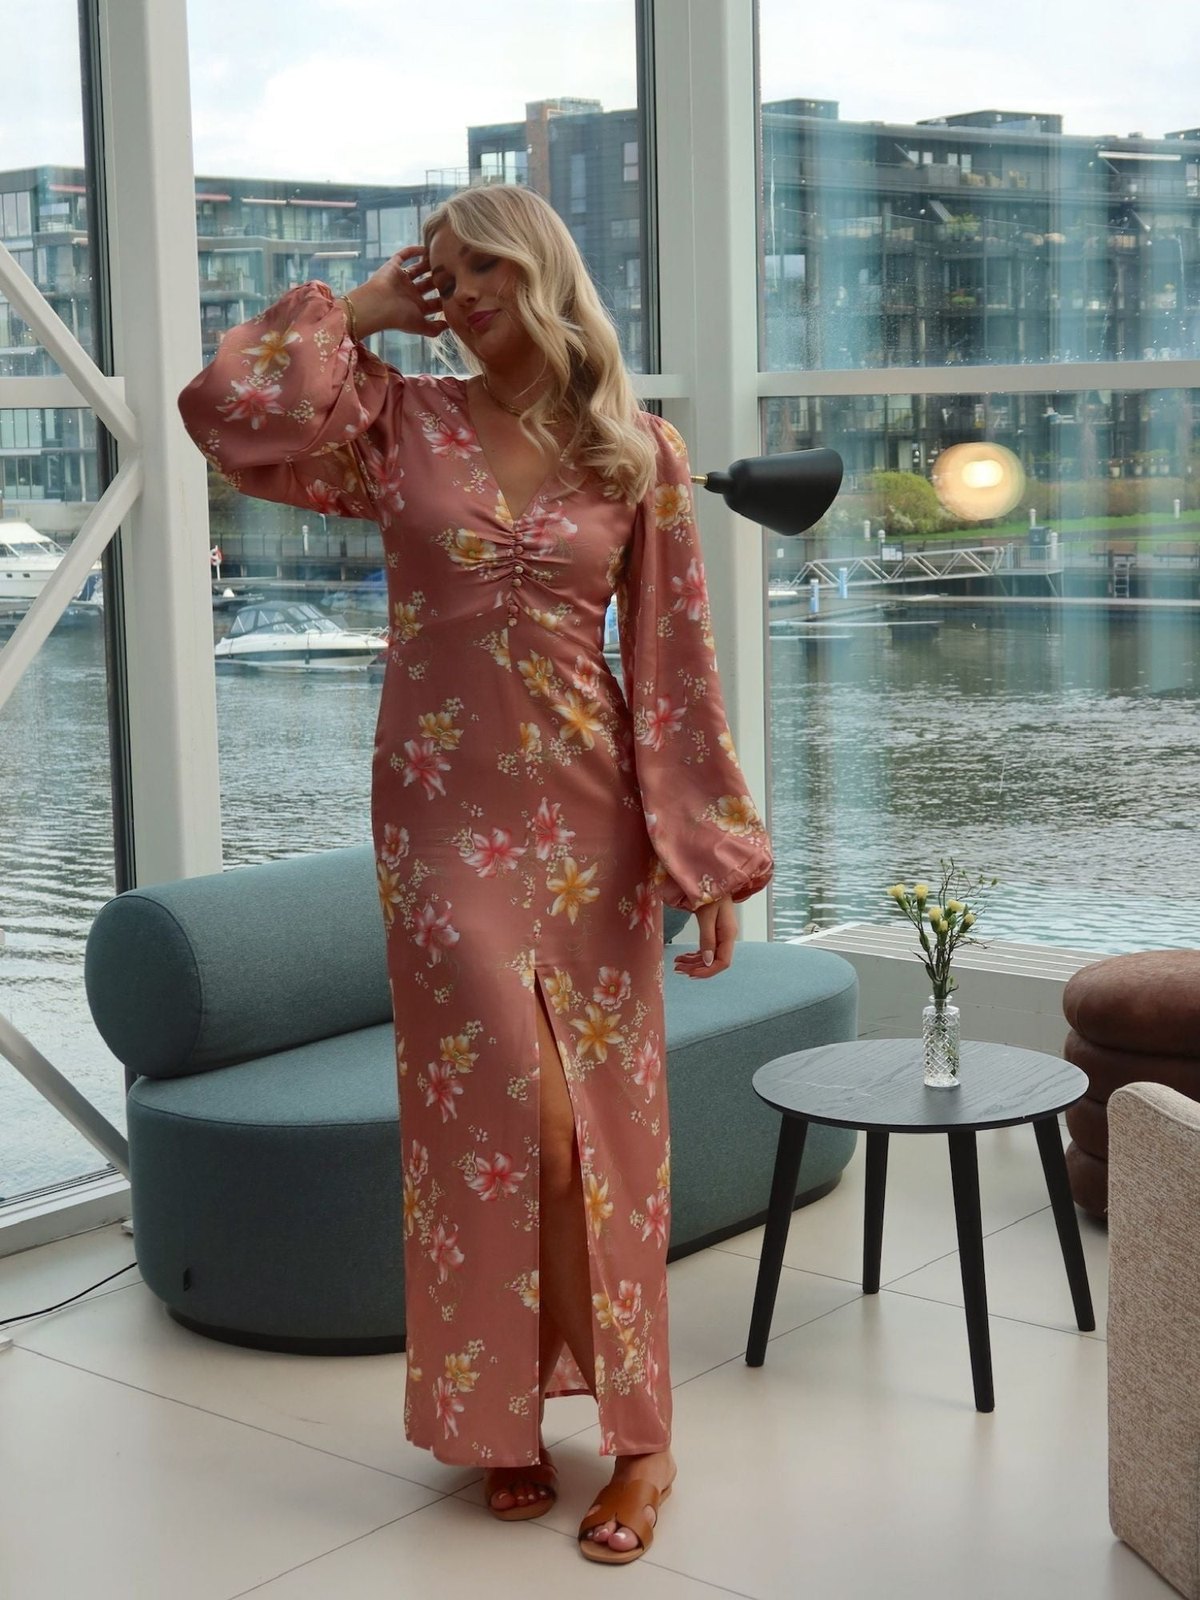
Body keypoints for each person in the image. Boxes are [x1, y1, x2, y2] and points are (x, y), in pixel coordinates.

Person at [178, 183, 773, 1566]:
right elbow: (229, 418)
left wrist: (706, 859)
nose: (465, 296)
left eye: (485, 268)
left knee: (605, 1133)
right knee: (513, 1122)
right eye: (442, 276)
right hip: (441, 823)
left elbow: (674, 667)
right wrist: (358, 312)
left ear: (541, 271)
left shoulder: (637, 450)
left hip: (592, 826)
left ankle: (640, 1440)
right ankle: (500, 1407)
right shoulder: (397, 424)